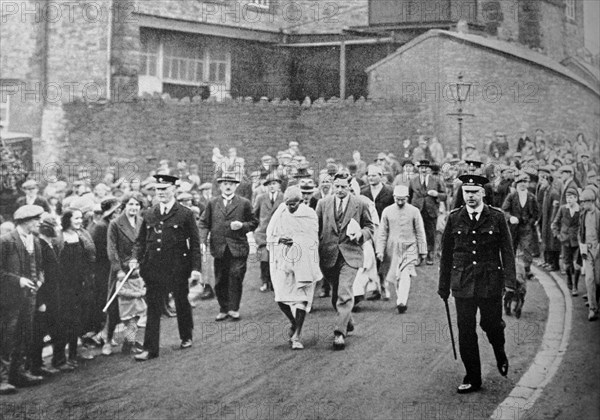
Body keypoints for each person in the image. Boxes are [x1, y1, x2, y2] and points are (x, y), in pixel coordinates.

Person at [438, 175, 516, 394]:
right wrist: (443, 286)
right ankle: (473, 376)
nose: (470, 196)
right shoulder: (455, 218)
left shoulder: (497, 217)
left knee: (491, 324)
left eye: (474, 192)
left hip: (490, 281)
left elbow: (507, 253)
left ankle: (499, 350)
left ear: (483, 193)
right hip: (462, 283)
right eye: (466, 192)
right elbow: (446, 255)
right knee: (466, 330)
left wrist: (510, 284)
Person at [130, 175, 201, 361]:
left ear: (174, 190)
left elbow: (194, 243)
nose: (160, 193)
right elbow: (140, 241)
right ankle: (150, 349)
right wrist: (135, 259)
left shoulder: (185, 213)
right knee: (153, 307)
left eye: (164, 189)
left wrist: (196, 268)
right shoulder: (149, 213)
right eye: (157, 189)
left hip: (178, 267)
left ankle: (186, 335)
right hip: (153, 268)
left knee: (181, 302)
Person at [316, 171, 374, 350]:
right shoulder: (323, 204)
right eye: (337, 187)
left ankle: (339, 333)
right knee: (335, 297)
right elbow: (315, 229)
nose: (340, 190)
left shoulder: (360, 203)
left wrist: (360, 234)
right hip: (328, 255)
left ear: (350, 186)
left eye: (343, 187)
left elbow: (370, 227)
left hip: (350, 254)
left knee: (344, 291)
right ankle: (347, 320)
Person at [266, 187, 322, 349]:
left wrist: (296, 240)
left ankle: (297, 334)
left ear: (301, 201)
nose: (291, 207)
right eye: (288, 204)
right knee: (281, 297)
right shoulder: (280, 213)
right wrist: (279, 239)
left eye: (294, 204)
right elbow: (270, 235)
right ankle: (293, 322)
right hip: (282, 261)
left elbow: (313, 238)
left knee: (301, 297)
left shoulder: (309, 214)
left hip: (304, 261)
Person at [199, 172, 258, 322]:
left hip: (238, 247)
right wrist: (202, 240)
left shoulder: (244, 203)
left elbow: (254, 222)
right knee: (220, 280)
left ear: (236, 186)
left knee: (236, 275)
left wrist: (242, 226)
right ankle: (223, 308)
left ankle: (233, 308)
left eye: (231, 184)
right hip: (219, 248)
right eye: (225, 184)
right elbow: (204, 223)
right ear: (220, 186)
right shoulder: (213, 203)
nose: (228, 186)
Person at [0, 205, 45, 394]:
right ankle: (2, 379)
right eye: (36, 220)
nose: (39, 223)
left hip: (30, 297)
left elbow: (40, 267)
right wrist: (18, 280)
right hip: (10, 298)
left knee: (24, 335)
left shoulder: (34, 241)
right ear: (25, 221)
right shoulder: (6, 241)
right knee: (6, 337)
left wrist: (40, 279)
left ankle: (18, 374)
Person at [54, 208, 96, 367]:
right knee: (63, 322)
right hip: (63, 286)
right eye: (76, 218)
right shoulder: (58, 237)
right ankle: (59, 358)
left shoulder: (82, 235)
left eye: (80, 218)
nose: (80, 221)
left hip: (80, 284)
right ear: (67, 220)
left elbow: (89, 258)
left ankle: (73, 354)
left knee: (77, 320)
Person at [375, 185, 427, 313]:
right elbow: (382, 232)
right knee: (396, 276)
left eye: (402, 199)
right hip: (392, 248)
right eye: (397, 199)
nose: (399, 202)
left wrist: (423, 250)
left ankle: (402, 301)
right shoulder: (387, 211)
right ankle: (400, 298)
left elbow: (420, 231)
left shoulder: (414, 211)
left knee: (405, 273)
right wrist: (380, 250)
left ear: (407, 198)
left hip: (410, 246)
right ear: (393, 197)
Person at [106, 192, 145, 354]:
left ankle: (129, 341)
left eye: (137, 205)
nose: (134, 208)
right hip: (120, 271)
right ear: (124, 206)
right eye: (130, 204)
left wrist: (137, 260)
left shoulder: (142, 222)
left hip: (136, 271)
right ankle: (107, 341)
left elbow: (142, 244)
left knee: (136, 307)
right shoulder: (115, 224)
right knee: (114, 309)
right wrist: (119, 270)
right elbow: (111, 248)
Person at [29, 214, 63, 377]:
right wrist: (41, 301)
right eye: (55, 226)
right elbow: (39, 275)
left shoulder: (48, 245)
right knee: (39, 332)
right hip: (45, 297)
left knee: (46, 330)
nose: (58, 229)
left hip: (52, 294)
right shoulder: (41, 246)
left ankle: (39, 364)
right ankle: (35, 366)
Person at [86, 196, 121, 354]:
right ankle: (102, 334)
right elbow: (98, 252)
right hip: (102, 271)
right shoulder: (101, 227)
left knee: (110, 303)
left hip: (108, 270)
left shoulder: (107, 225)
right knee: (106, 303)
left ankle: (107, 333)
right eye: (116, 210)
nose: (119, 212)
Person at [502, 173, 539, 280]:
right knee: (511, 247)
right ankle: (510, 270)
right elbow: (504, 210)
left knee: (527, 248)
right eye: (520, 182)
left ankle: (528, 270)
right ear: (516, 184)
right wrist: (510, 217)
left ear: (527, 184)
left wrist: (531, 222)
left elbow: (537, 213)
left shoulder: (532, 197)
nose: (522, 184)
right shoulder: (512, 196)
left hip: (526, 227)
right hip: (513, 228)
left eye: (525, 182)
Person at [408, 160, 447, 265]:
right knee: (418, 233)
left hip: (431, 211)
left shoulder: (436, 180)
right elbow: (409, 196)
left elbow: (444, 196)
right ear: (418, 169)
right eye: (421, 168)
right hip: (417, 210)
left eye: (426, 168)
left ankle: (430, 254)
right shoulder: (413, 180)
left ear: (429, 169)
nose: (424, 170)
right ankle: (419, 255)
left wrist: (436, 194)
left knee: (431, 234)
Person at [253, 173, 284, 292]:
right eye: (269, 184)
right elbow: (254, 214)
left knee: (277, 258)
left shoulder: (283, 197)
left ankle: (275, 282)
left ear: (279, 185)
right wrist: (258, 227)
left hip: (278, 233)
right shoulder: (261, 198)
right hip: (263, 234)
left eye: (274, 183)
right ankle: (265, 281)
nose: (271, 186)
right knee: (264, 258)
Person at [552, 188, 581, 296]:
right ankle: (569, 278)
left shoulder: (581, 210)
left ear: (576, 198)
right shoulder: (563, 209)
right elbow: (555, 223)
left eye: (571, 197)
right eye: (567, 197)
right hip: (565, 241)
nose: (569, 200)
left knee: (577, 265)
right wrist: (558, 235)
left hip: (577, 241)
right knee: (567, 265)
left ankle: (575, 286)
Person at [579, 189, 599, 321]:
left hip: (598, 251)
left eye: (584, 202)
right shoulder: (583, 215)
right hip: (588, 250)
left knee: (598, 280)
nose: (582, 205)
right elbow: (581, 232)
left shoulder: (598, 214)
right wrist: (582, 247)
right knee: (589, 279)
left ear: (591, 202)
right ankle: (592, 308)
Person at [117, 269, 147, 353]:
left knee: (136, 324)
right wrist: (135, 293)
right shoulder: (122, 279)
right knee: (131, 325)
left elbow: (144, 287)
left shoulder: (139, 277)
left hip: (138, 305)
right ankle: (129, 343)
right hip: (127, 306)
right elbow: (120, 290)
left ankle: (131, 342)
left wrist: (141, 292)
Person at [538, 167, 561, 271]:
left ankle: (554, 264)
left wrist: (553, 222)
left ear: (548, 181)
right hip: (546, 221)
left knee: (553, 244)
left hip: (551, 221)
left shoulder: (554, 192)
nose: (541, 182)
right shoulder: (546, 191)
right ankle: (549, 262)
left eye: (543, 180)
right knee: (547, 242)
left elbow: (555, 209)